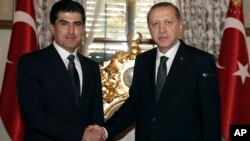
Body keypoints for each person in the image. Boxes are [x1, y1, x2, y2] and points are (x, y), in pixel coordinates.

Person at [83, 2, 221, 141]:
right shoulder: (143, 61)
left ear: (180, 25)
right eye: (155, 24)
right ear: (149, 28)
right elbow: (134, 105)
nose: (161, 29)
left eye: (168, 22)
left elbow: (210, 117)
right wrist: (105, 131)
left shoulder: (201, 61)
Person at [17, 1, 105, 141]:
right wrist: (80, 134)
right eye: (64, 24)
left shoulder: (92, 67)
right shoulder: (31, 63)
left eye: (77, 24)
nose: (71, 31)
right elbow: (34, 116)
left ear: (83, 29)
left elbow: (96, 117)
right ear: (52, 28)